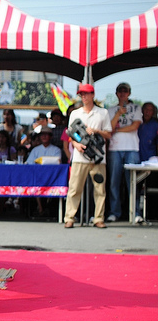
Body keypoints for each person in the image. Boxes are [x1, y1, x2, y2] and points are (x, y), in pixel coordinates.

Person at [64, 84, 112, 229]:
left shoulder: (102, 113)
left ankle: (98, 218)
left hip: (97, 156)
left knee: (99, 189)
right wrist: (76, 145)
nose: (84, 97)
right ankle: (70, 217)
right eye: (82, 94)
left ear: (92, 95)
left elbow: (108, 134)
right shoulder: (75, 113)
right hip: (79, 156)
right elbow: (70, 135)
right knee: (74, 188)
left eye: (86, 94)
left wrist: (96, 131)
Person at [106, 82, 143, 223]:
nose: (122, 93)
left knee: (132, 182)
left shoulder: (136, 108)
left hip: (132, 148)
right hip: (114, 149)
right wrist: (118, 114)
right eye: (120, 91)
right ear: (116, 93)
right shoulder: (110, 110)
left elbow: (135, 126)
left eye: (125, 91)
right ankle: (114, 212)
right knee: (114, 182)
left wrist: (118, 130)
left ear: (129, 93)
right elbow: (109, 128)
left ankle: (135, 213)